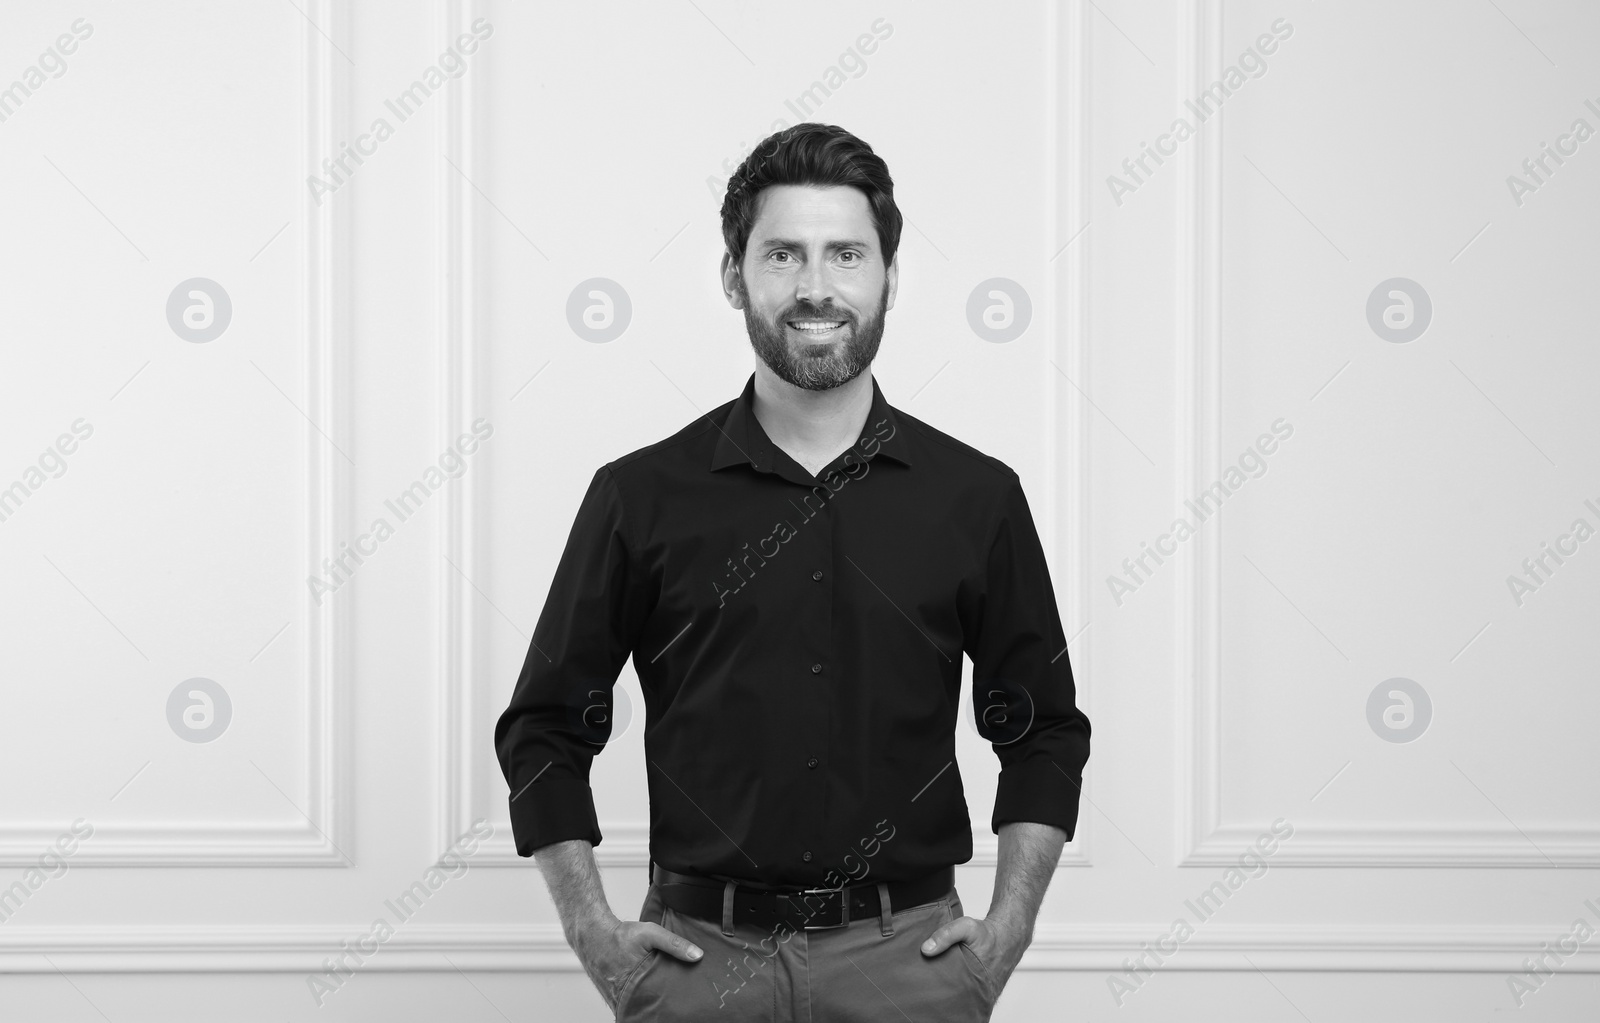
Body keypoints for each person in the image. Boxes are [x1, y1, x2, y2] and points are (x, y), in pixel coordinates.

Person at [495, 122, 1091, 1021]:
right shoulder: (639, 495)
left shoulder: (977, 498)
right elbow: (543, 726)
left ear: (892, 274)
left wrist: (1008, 929)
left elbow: (1043, 729)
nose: (816, 288)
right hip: (698, 966)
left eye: (845, 254)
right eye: (783, 254)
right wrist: (594, 933)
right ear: (735, 276)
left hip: (913, 966)